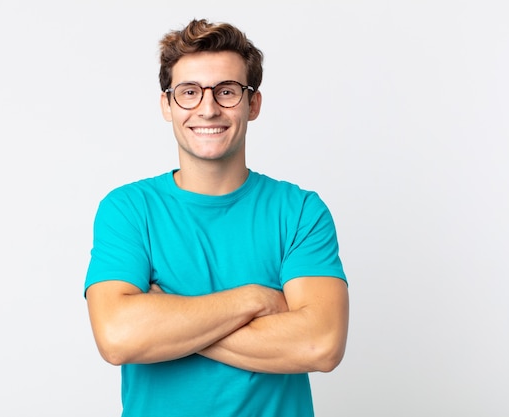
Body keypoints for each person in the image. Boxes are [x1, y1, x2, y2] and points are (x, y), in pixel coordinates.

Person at [84, 18, 349, 417]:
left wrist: (169, 320)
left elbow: (320, 344)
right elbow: (119, 337)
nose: (208, 109)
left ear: (252, 103)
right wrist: (257, 299)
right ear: (167, 105)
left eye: (226, 91)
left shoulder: (299, 211)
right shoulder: (129, 209)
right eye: (189, 92)